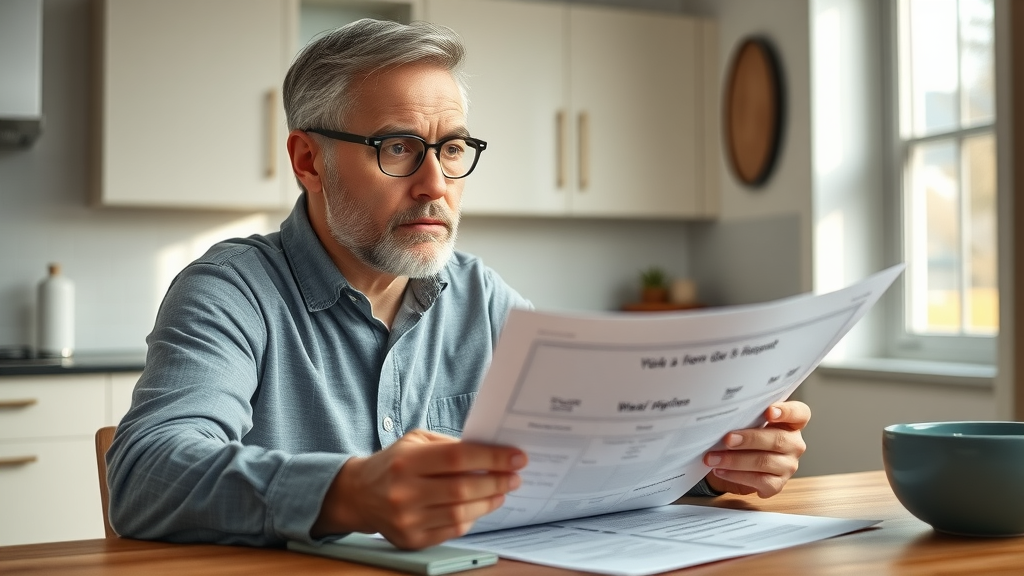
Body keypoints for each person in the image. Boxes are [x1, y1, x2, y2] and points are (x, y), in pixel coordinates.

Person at [106, 18, 811, 551]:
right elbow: (144, 474)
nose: (435, 184)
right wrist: (349, 491)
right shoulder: (230, 290)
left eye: (450, 148)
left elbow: (590, 452)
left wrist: (714, 462)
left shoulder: (482, 297)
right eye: (398, 148)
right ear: (309, 160)